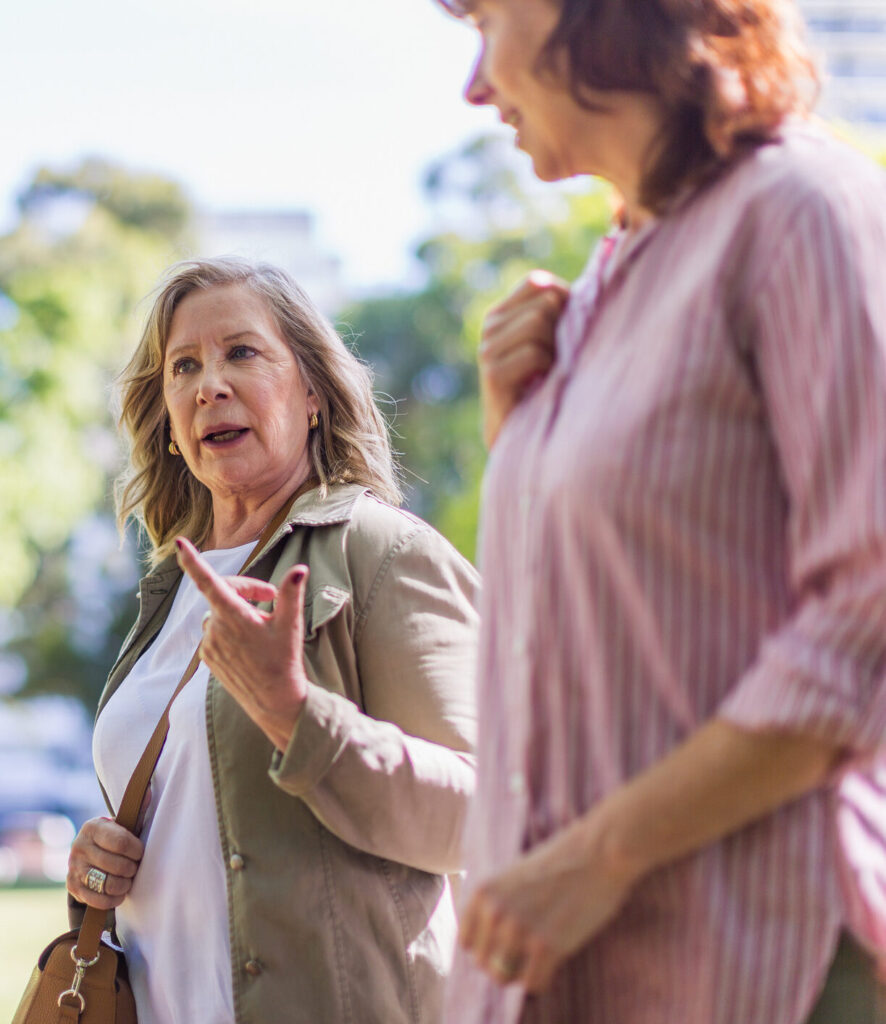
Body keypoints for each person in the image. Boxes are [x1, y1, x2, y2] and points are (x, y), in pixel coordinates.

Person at [436, 0, 886, 1022]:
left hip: (754, 967)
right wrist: (522, 442)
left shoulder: (805, 211)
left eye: (487, 23)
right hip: (556, 981)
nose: (473, 86)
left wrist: (599, 857)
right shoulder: (598, 283)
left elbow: (869, 617)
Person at [65, 256, 479, 1024]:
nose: (207, 384)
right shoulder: (164, 596)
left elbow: (492, 816)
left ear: (314, 393)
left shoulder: (381, 553)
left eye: (242, 353)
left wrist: (298, 717)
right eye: (182, 367)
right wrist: (98, 870)